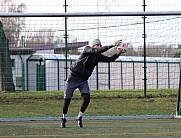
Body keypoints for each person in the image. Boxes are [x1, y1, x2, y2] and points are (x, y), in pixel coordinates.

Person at [61, 38, 124, 128]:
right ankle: (64, 118)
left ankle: (79, 117)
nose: (97, 46)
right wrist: (113, 45)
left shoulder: (98, 56)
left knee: (87, 99)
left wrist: (119, 52)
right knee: (67, 100)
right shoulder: (87, 49)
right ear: (93, 46)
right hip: (73, 78)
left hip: (83, 81)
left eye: (99, 45)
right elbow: (95, 51)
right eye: (96, 45)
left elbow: (110, 59)